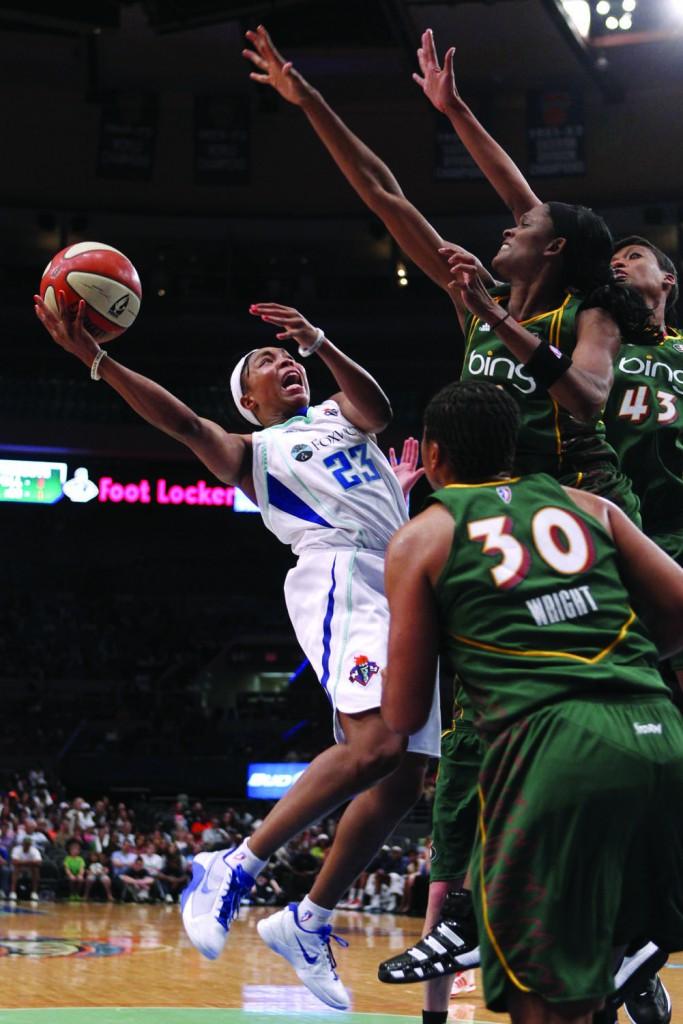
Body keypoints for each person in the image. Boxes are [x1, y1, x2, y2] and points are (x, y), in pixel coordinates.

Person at [242, 24, 655, 1022]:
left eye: (521, 226)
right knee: (457, 770)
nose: (499, 227)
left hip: (573, 534)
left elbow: (591, 397)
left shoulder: (576, 316)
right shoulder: (475, 300)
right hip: (482, 552)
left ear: (548, 248)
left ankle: (630, 933)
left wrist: (499, 303)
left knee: (603, 733)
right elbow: (385, 192)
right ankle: (447, 990)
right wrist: (314, 105)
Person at [34, 291, 440, 1011]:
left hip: (401, 572)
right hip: (340, 574)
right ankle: (232, 864)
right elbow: (185, 422)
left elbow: (376, 407)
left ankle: (306, 921)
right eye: (264, 361)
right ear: (248, 402)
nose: (283, 362)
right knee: (376, 745)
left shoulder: (340, 420)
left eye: (288, 356)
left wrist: (321, 340)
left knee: (405, 776)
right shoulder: (256, 450)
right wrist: (97, 361)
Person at [380, 378, 683, 1024]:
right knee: (599, 970)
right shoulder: (587, 506)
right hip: (658, 734)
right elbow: (679, 612)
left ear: (432, 456)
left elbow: (404, 716)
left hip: (554, 752)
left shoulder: (423, 536)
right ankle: (629, 965)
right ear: (512, 451)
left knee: (541, 1000)